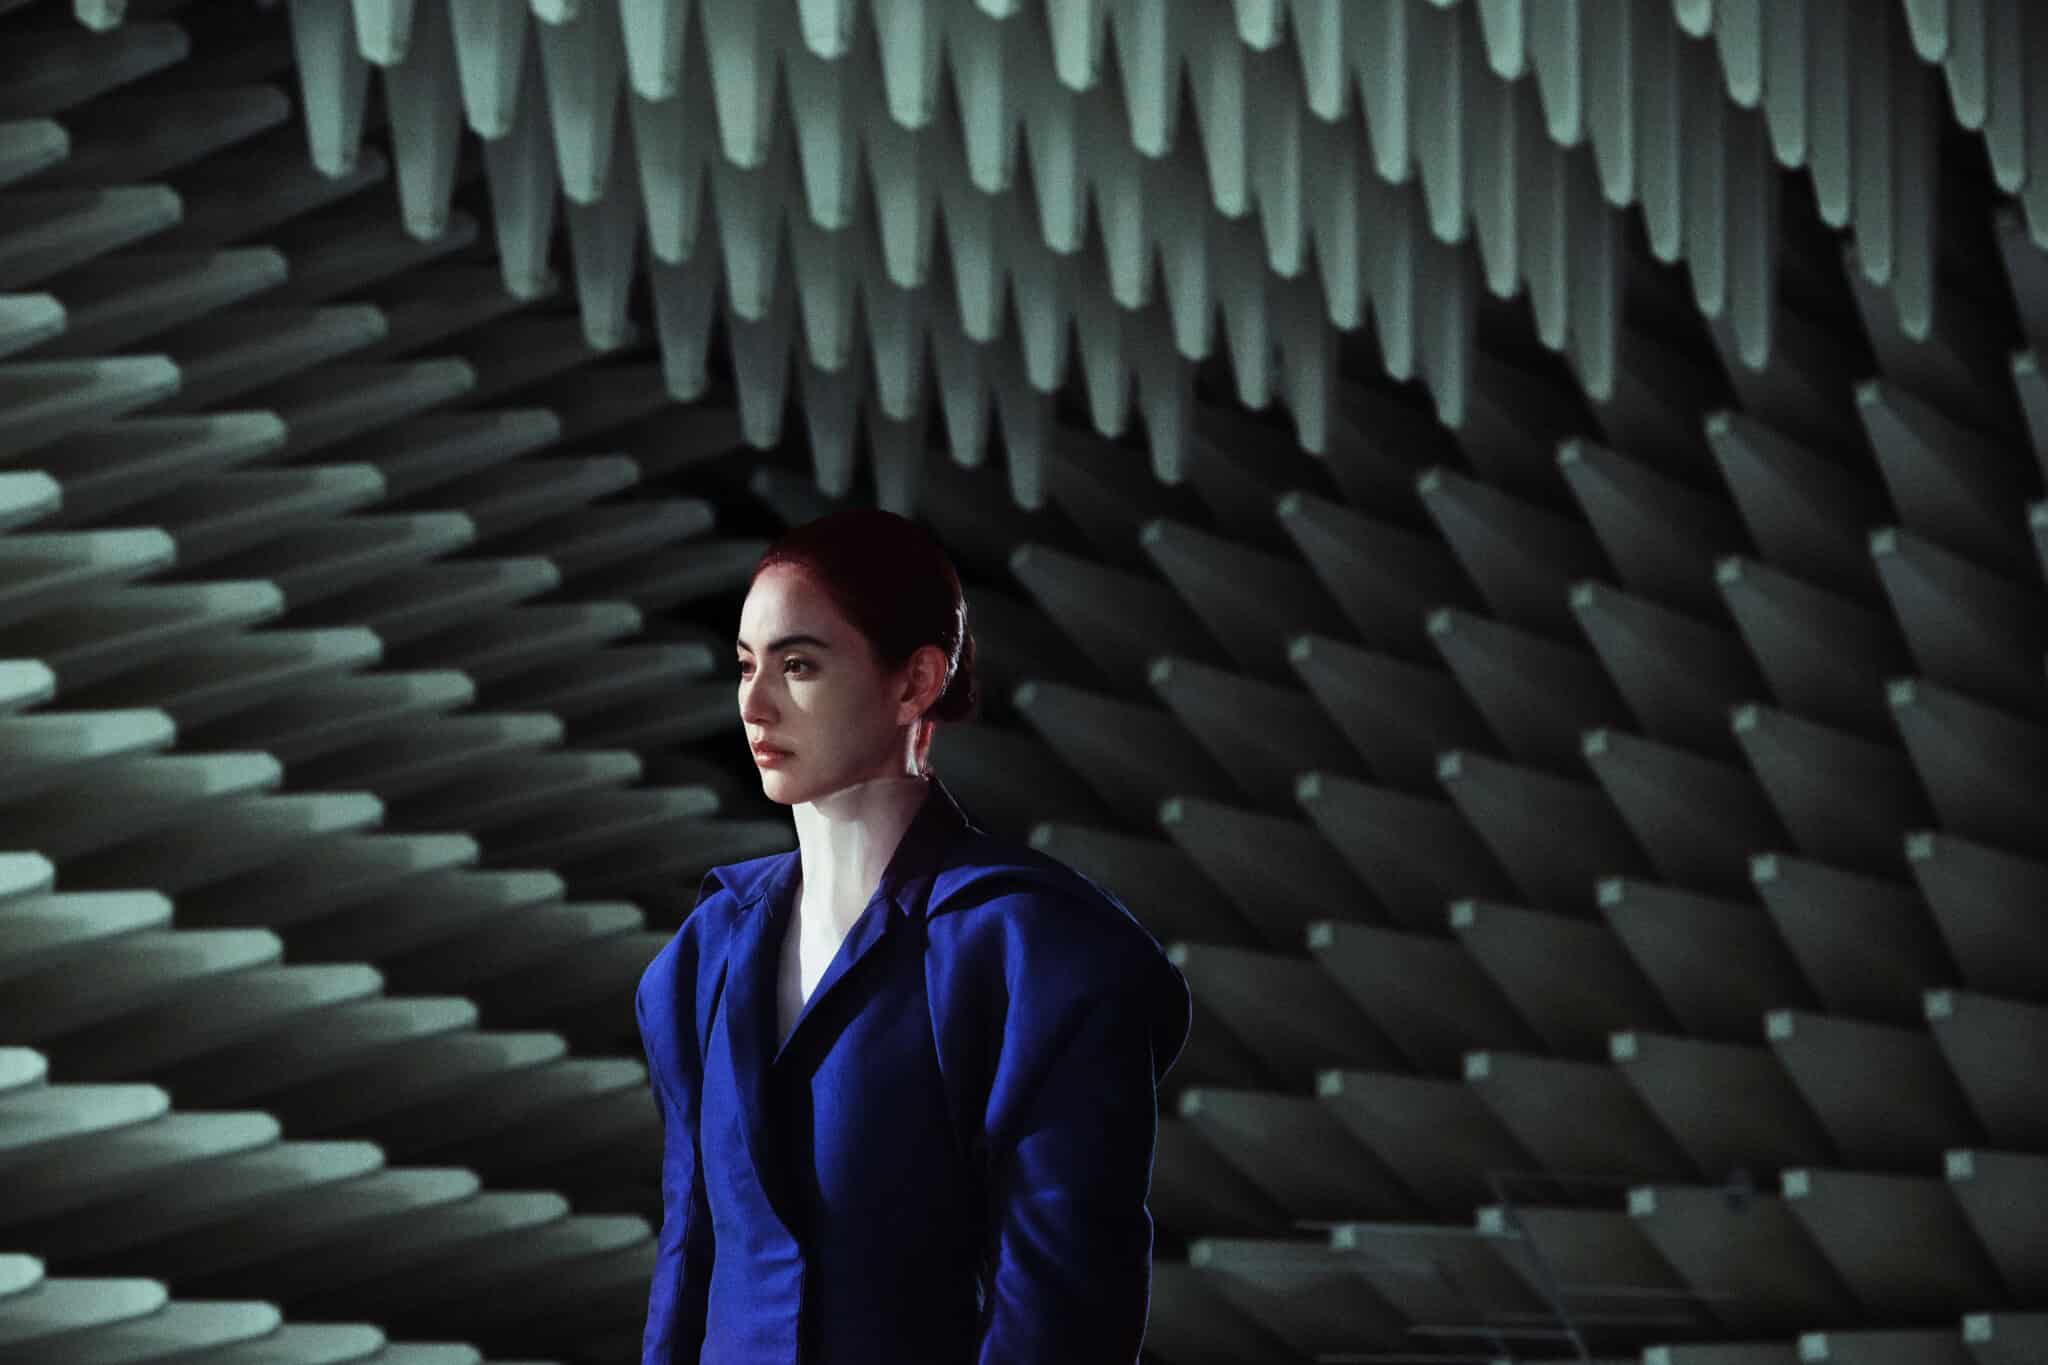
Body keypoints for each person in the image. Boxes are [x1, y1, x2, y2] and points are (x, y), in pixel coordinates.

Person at [635, 506, 1193, 1364]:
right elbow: (688, 1263)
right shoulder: (703, 957)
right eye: (745, 665)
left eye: (799, 665)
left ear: (916, 681)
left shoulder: (1037, 957)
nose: (753, 701)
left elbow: (1062, 1321)